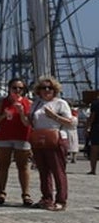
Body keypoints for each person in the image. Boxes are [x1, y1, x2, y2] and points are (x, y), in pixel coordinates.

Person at [28, 76, 75, 211]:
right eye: (43, 88)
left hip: (56, 138)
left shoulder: (61, 103)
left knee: (58, 170)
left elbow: (70, 122)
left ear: (55, 90)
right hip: (40, 139)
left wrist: (53, 116)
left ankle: (61, 200)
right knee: (43, 170)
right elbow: (31, 122)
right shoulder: (36, 104)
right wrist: (22, 114)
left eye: (50, 88)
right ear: (39, 90)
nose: (47, 90)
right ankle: (47, 198)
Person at [0, 78, 33, 206]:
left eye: (20, 88)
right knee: (4, 165)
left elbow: (30, 122)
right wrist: (3, 115)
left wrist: (21, 113)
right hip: (4, 137)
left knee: (23, 166)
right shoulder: (2, 103)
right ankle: (1, 191)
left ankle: (26, 193)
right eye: (14, 88)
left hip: (22, 136)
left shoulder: (28, 103)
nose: (17, 90)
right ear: (9, 89)